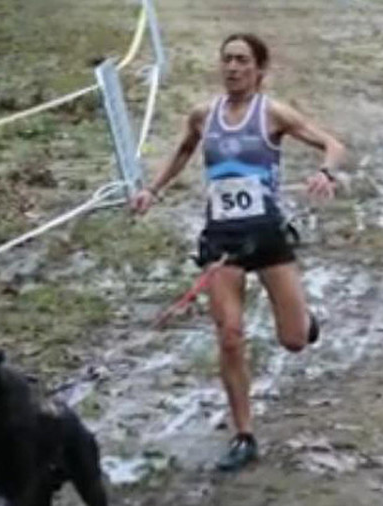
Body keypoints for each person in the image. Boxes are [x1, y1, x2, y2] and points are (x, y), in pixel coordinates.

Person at [130, 33, 348, 472]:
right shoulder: (202, 115)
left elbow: (333, 144)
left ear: (259, 69)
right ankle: (243, 434)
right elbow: (182, 152)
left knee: (293, 341)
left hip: (266, 236)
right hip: (221, 240)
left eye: (242, 60)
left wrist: (326, 172)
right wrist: (151, 190)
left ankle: (304, 322)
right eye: (227, 59)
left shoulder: (272, 113)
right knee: (229, 336)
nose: (232, 67)